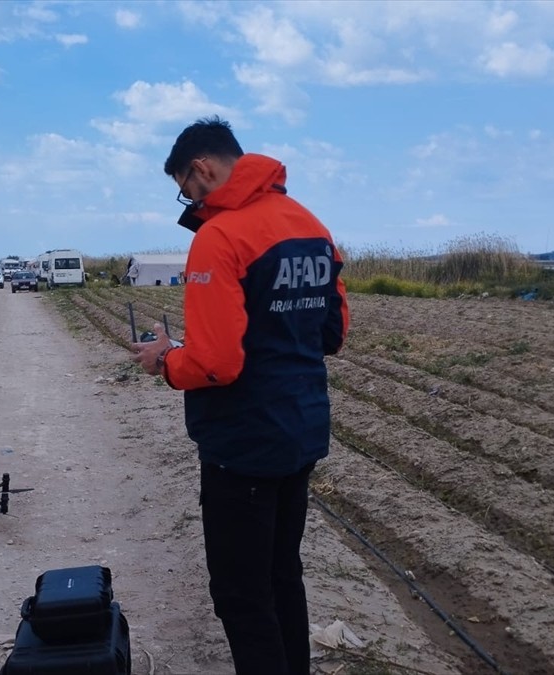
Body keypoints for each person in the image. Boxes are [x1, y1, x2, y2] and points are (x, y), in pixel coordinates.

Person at [131, 116, 349, 675]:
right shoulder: (312, 227)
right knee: (282, 575)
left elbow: (217, 364)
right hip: (300, 432)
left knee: (240, 593)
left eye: (185, 186)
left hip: (243, 443)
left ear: (202, 168)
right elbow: (332, 335)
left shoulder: (219, 237)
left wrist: (167, 361)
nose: (188, 198)